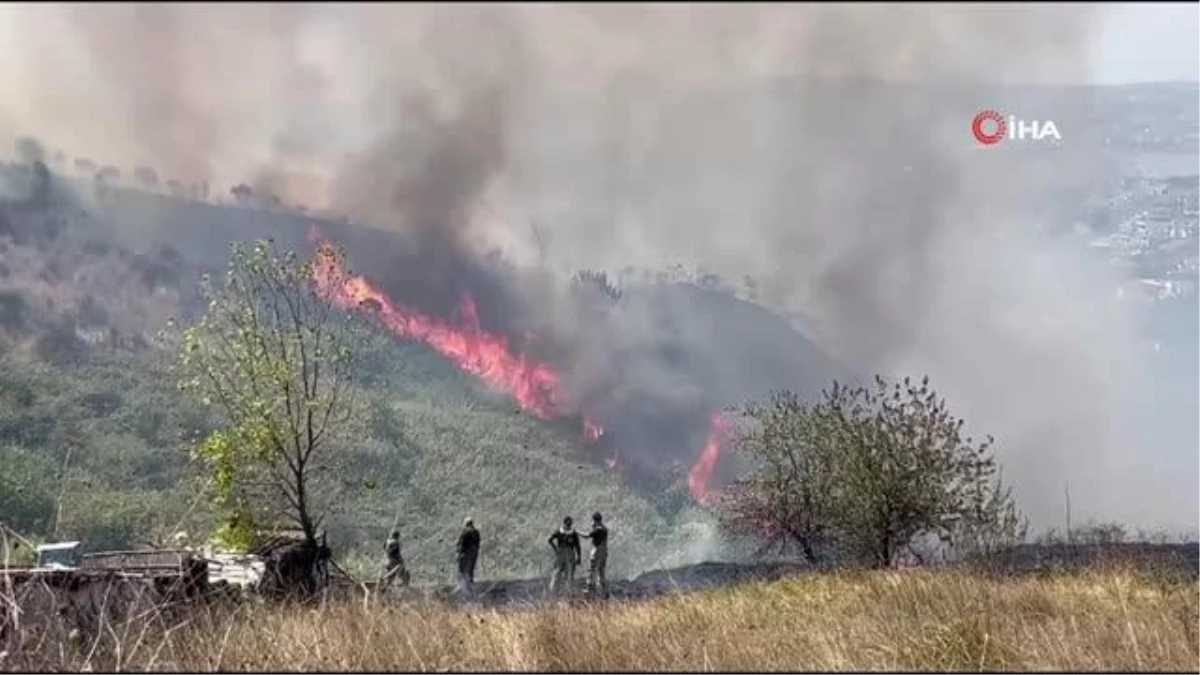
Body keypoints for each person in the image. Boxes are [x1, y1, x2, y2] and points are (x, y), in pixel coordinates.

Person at [547, 516, 581, 595]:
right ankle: (566, 591)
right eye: (569, 523)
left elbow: (550, 540)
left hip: (561, 552)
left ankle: (554, 590)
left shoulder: (560, 531)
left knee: (559, 571)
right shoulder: (572, 532)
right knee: (567, 572)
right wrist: (579, 556)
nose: (569, 525)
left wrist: (556, 549)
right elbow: (577, 546)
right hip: (569, 553)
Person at [582, 512, 609, 598]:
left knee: (592, 569)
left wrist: (577, 532)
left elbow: (587, 536)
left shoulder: (598, 529)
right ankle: (604, 590)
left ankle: (590, 590)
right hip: (604, 551)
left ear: (594, 520)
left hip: (597, 550)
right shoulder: (604, 528)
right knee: (601, 570)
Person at [456, 517, 481, 591]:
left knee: (462, 569)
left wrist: (459, 554)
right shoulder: (476, 532)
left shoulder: (465, 532)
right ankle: (470, 583)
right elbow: (478, 543)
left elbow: (461, 544)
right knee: (470, 569)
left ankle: (462, 585)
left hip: (465, 554)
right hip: (473, 554)